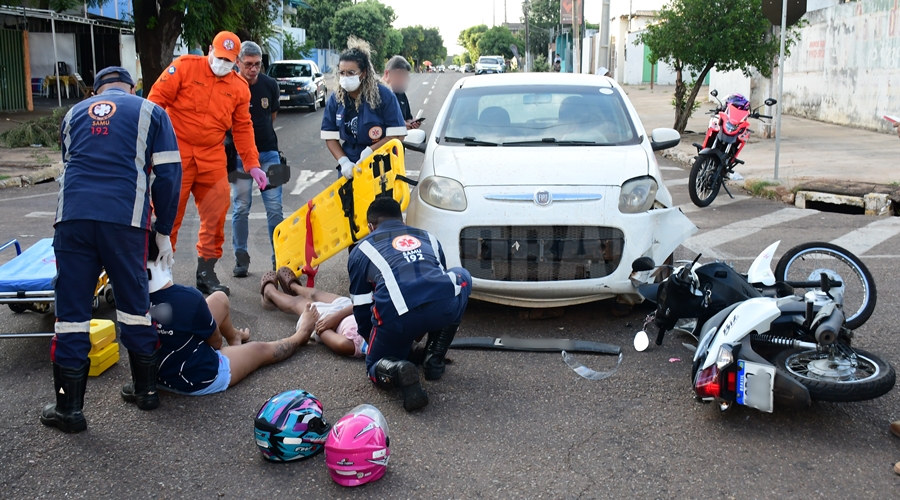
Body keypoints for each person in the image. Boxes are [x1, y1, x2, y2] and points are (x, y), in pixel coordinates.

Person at [41, 67, 182, 433]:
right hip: (125, 220)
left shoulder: (73, 113)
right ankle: (146, 389)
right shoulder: (151, 111)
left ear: (97, 90)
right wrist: (162, 230)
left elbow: (71, 165)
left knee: (71, 313)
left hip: (72, 220)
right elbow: (168, 176)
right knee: (134, 305)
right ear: (131, 88)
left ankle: (68, 409)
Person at [148, 31, 266, 296]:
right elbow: (155, 102)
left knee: (216, 211)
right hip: (175, 152)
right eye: (219, 57)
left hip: (212, 154)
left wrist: (252, 164)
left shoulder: (239, 88)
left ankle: (206, 272)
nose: (221, 63)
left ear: (236, 61)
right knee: (167, 214)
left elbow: (243, 128)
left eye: (228, 60)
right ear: (210, 50)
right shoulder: (186, 67)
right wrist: (147, 147)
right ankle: (157, 273)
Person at [146, 231, 318, 395]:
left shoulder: (129, 298)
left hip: (153, 375)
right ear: (166, 255)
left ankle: (235, 336)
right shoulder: (188, 297)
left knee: (219, 299)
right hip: (196, 379)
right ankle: (300, 336)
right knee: (259, 350)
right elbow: (215, 343)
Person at [348, 197, 472, 412]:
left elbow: (361, 307)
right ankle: (435, 356)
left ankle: (396, 369)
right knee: (461, 276)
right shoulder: (428, 237)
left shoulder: (362, 250)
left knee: (374, 366)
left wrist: (375, 343)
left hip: (398, 319)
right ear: (402, 221)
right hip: (441, 308)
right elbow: (437, 281)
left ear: (370, 226)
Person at [230, 41, 284, 277]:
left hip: (269, 152)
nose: (253, 69)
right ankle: (241, 259)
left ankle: (279, 259)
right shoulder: (228, 85)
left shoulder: (270, 84)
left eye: (257, 65)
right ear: (238, 62)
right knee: (241, 208)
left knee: (275, 208)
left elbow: (271, 116)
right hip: (240, 157)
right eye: (248, 64)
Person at [321, 37, 407, 180]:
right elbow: (329, 137)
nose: (345, 77)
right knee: (348, 202)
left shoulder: (384, 96)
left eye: (351, 73)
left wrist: (370, 151)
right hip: (351, 168)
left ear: (364, 73)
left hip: (380, 166)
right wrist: (344, 162)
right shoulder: (336, 99)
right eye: (342, 72)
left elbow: (397, 135)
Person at [259, 267, 368, 358]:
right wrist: (340, 314)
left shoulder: (351, 344)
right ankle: (293, 287)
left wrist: (332, 318)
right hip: (348, 309)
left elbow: (322, 330)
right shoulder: (383, 325)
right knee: (316, 293)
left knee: (298, 303)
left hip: (326, 321)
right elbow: (368, 305)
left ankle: (269, 293)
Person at [382, 55, 420, 130]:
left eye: (405, 77)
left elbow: (408, 117)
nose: (403, 81)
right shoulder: (375, 94)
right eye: (400, 76)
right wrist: (398, 125)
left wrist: (412, 123)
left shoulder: (400, 93)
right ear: (387, 74)